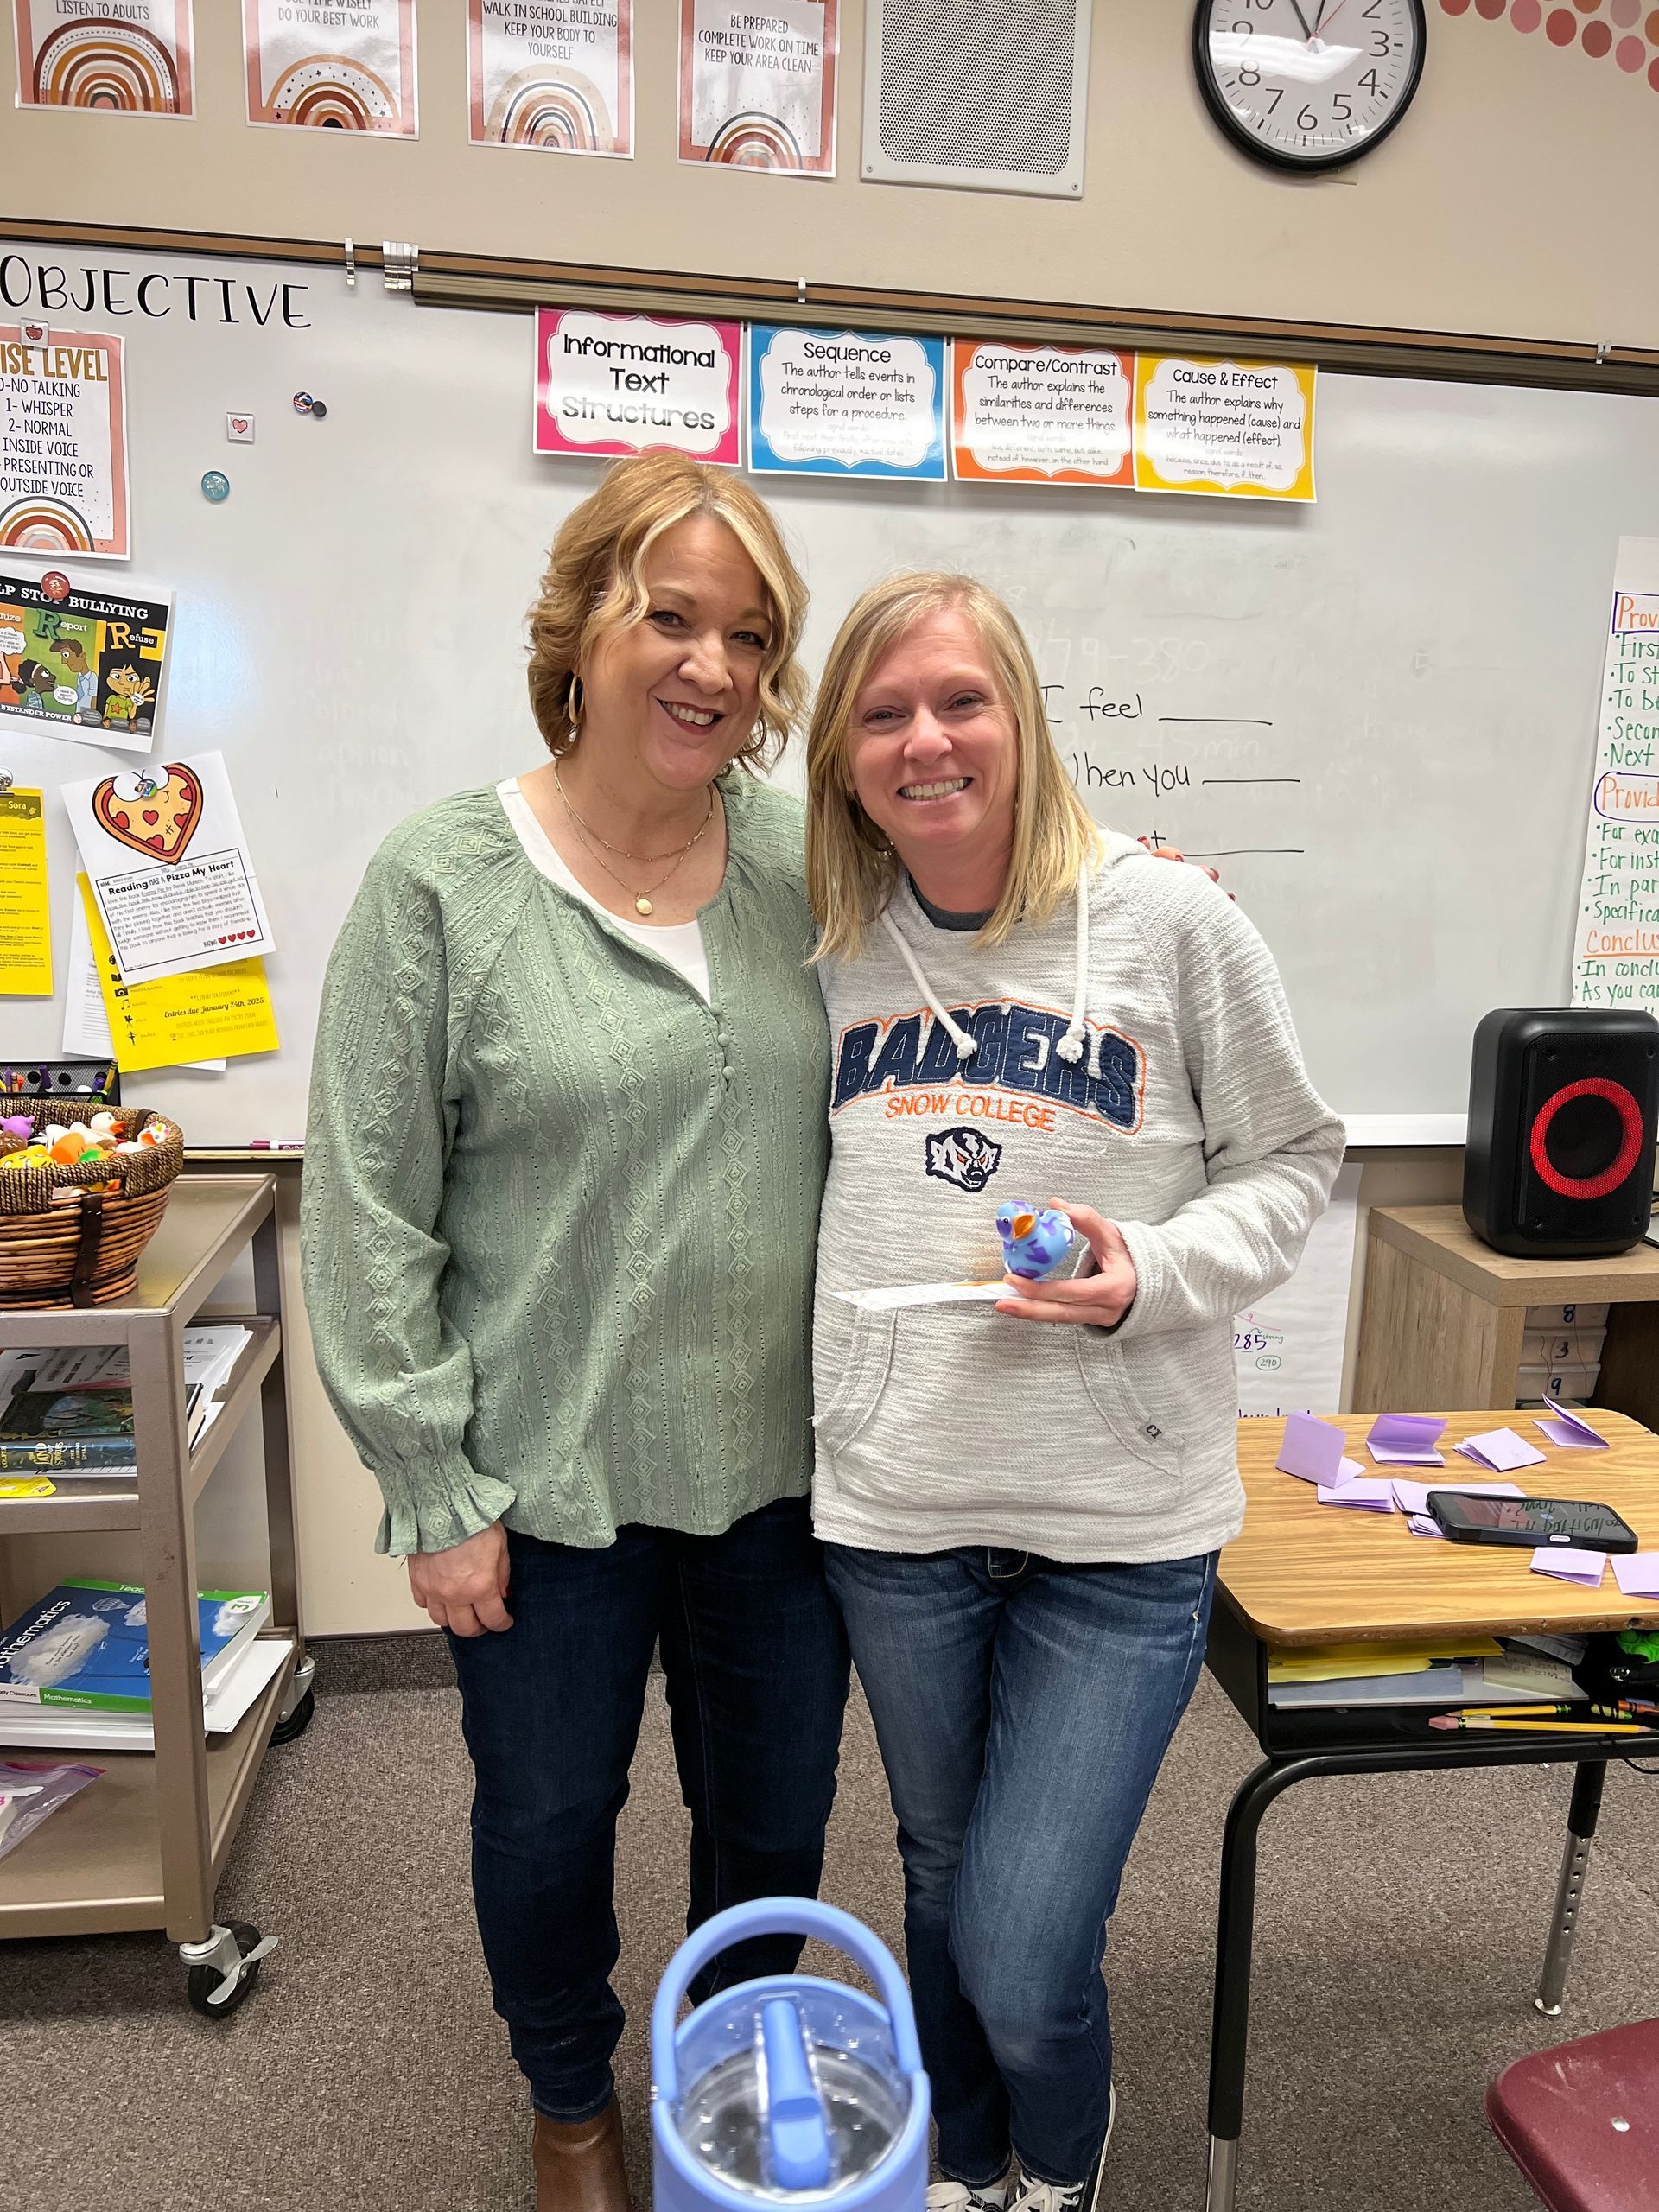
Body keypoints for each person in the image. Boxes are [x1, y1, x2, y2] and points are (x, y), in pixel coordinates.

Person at [301, 452, 850, 2212]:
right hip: (540, 1477)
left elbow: (992, 926)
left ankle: (732, 2064)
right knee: (548, 1819)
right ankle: (568, 2096)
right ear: (582, 627)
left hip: (781, 1467)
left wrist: (1117, 879)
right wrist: (429, 1480)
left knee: (768, 1822)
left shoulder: (804, 858)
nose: (710, 666)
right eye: (670, 616)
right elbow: (373, 1205)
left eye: (749, 637)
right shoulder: (442, 882)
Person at [803, 573, 1344, 2212]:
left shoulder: (1176, 924)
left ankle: (1057, 2166)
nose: (927, 740)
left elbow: (1294, 1157)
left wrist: (1150, 1277)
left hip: (1122, 1518)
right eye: (884, 713)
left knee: (1028, 1942)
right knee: (938, 1872)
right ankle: (964, 2167)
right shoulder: (824, 941)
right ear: (841, 755)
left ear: (1024, 719)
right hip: (899, 1504)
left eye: (961, 700)